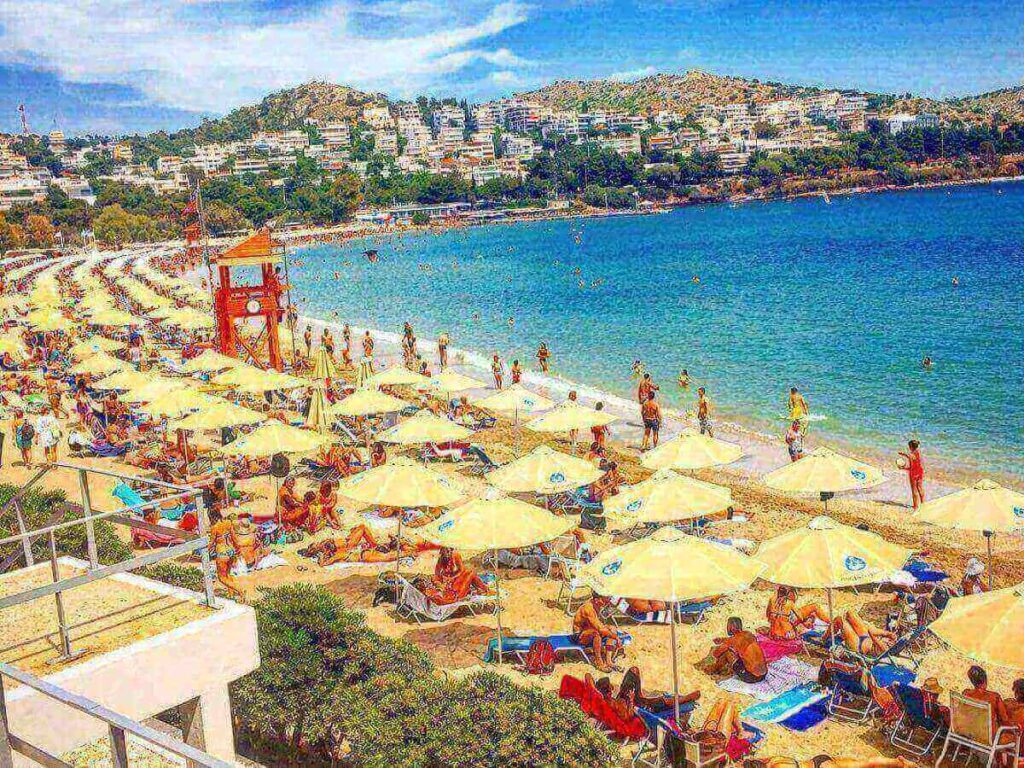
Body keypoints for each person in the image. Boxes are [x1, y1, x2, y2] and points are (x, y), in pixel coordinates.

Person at [426, 547, 493, 605]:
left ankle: (483, 589)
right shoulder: (441, 559)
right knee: (470, 573)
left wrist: (451, 578)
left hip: (452, 584)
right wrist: (440, 584)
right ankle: (484, 590)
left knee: (469, 573)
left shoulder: (455, 555)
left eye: (448, 550)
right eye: (445, 550)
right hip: (452, 591)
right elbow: (437, 574)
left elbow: (461, 570)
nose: (447, 552)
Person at [710, 617, 768, 683]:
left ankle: (716, 670)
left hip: (751, 677)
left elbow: (715, 654)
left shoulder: (732, 640)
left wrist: (725, 644)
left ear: (730, 627)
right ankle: (725, 670)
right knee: (742, 654)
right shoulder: (749, 634)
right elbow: (741, 641)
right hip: (763, 675)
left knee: (727, 653)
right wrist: (723, 640)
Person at [572, 595, 621, 673]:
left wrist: (611, 632)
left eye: (607, 600)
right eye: (605, 600)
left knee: (613, 628)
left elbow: (599, 624)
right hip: (579, 635)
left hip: (590, 629)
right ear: (597, 599)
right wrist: (616, 637)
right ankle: (599, 663)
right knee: (596, 633)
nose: (606, 602)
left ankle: (608, 661)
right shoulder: (588, 608)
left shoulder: (597, 604)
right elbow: (600, 629)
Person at [766, 586, 830, 640]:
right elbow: (801, 618)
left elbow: (768, 615)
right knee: (814, 606)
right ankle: (830, 622)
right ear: (786, 594)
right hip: (788, 634)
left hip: (773, 634)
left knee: (810, 611)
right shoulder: (790, 602)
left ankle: (826, 622)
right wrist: (805, 619)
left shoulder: (771, 600)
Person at [963, 665, 1012, 734]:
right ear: (985, 680)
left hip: (968, 732)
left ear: (972, 681)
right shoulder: (995, 697)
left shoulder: (966, 694)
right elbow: (1004, 719)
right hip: (986, 737)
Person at [208, 510, 244, 601]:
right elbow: (234, 537)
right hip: (231, 550)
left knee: (221, 578)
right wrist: (238, 549)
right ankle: (231, 595)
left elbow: (211, 543)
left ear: (212, 517)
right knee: (227, 574)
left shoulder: (214, 527)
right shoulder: (228, 523)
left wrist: (204, 553)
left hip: (222, 553)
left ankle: (240, 590)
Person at [832, 610, 896, 656]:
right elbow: (873, 632)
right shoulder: (888, 643)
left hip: (859, 647)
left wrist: (886, 634)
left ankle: (823, 640)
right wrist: (888, 634)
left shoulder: (885, 649)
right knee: (850, 613)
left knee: (839, 619)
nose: (892, 642)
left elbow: (871, 634)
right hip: (866, 638)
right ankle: (843, 630)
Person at [898, 439, 925, 509]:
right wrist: (904, 454)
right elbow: (913, 458)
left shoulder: (910, 455)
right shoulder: (918, 452)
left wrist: (903, 468)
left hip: (914, 473)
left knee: (914, 490)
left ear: (910, 447)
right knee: (920, 488)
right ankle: (923, 504)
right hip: (920, 471)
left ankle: (915, 506)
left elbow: (912, 467)